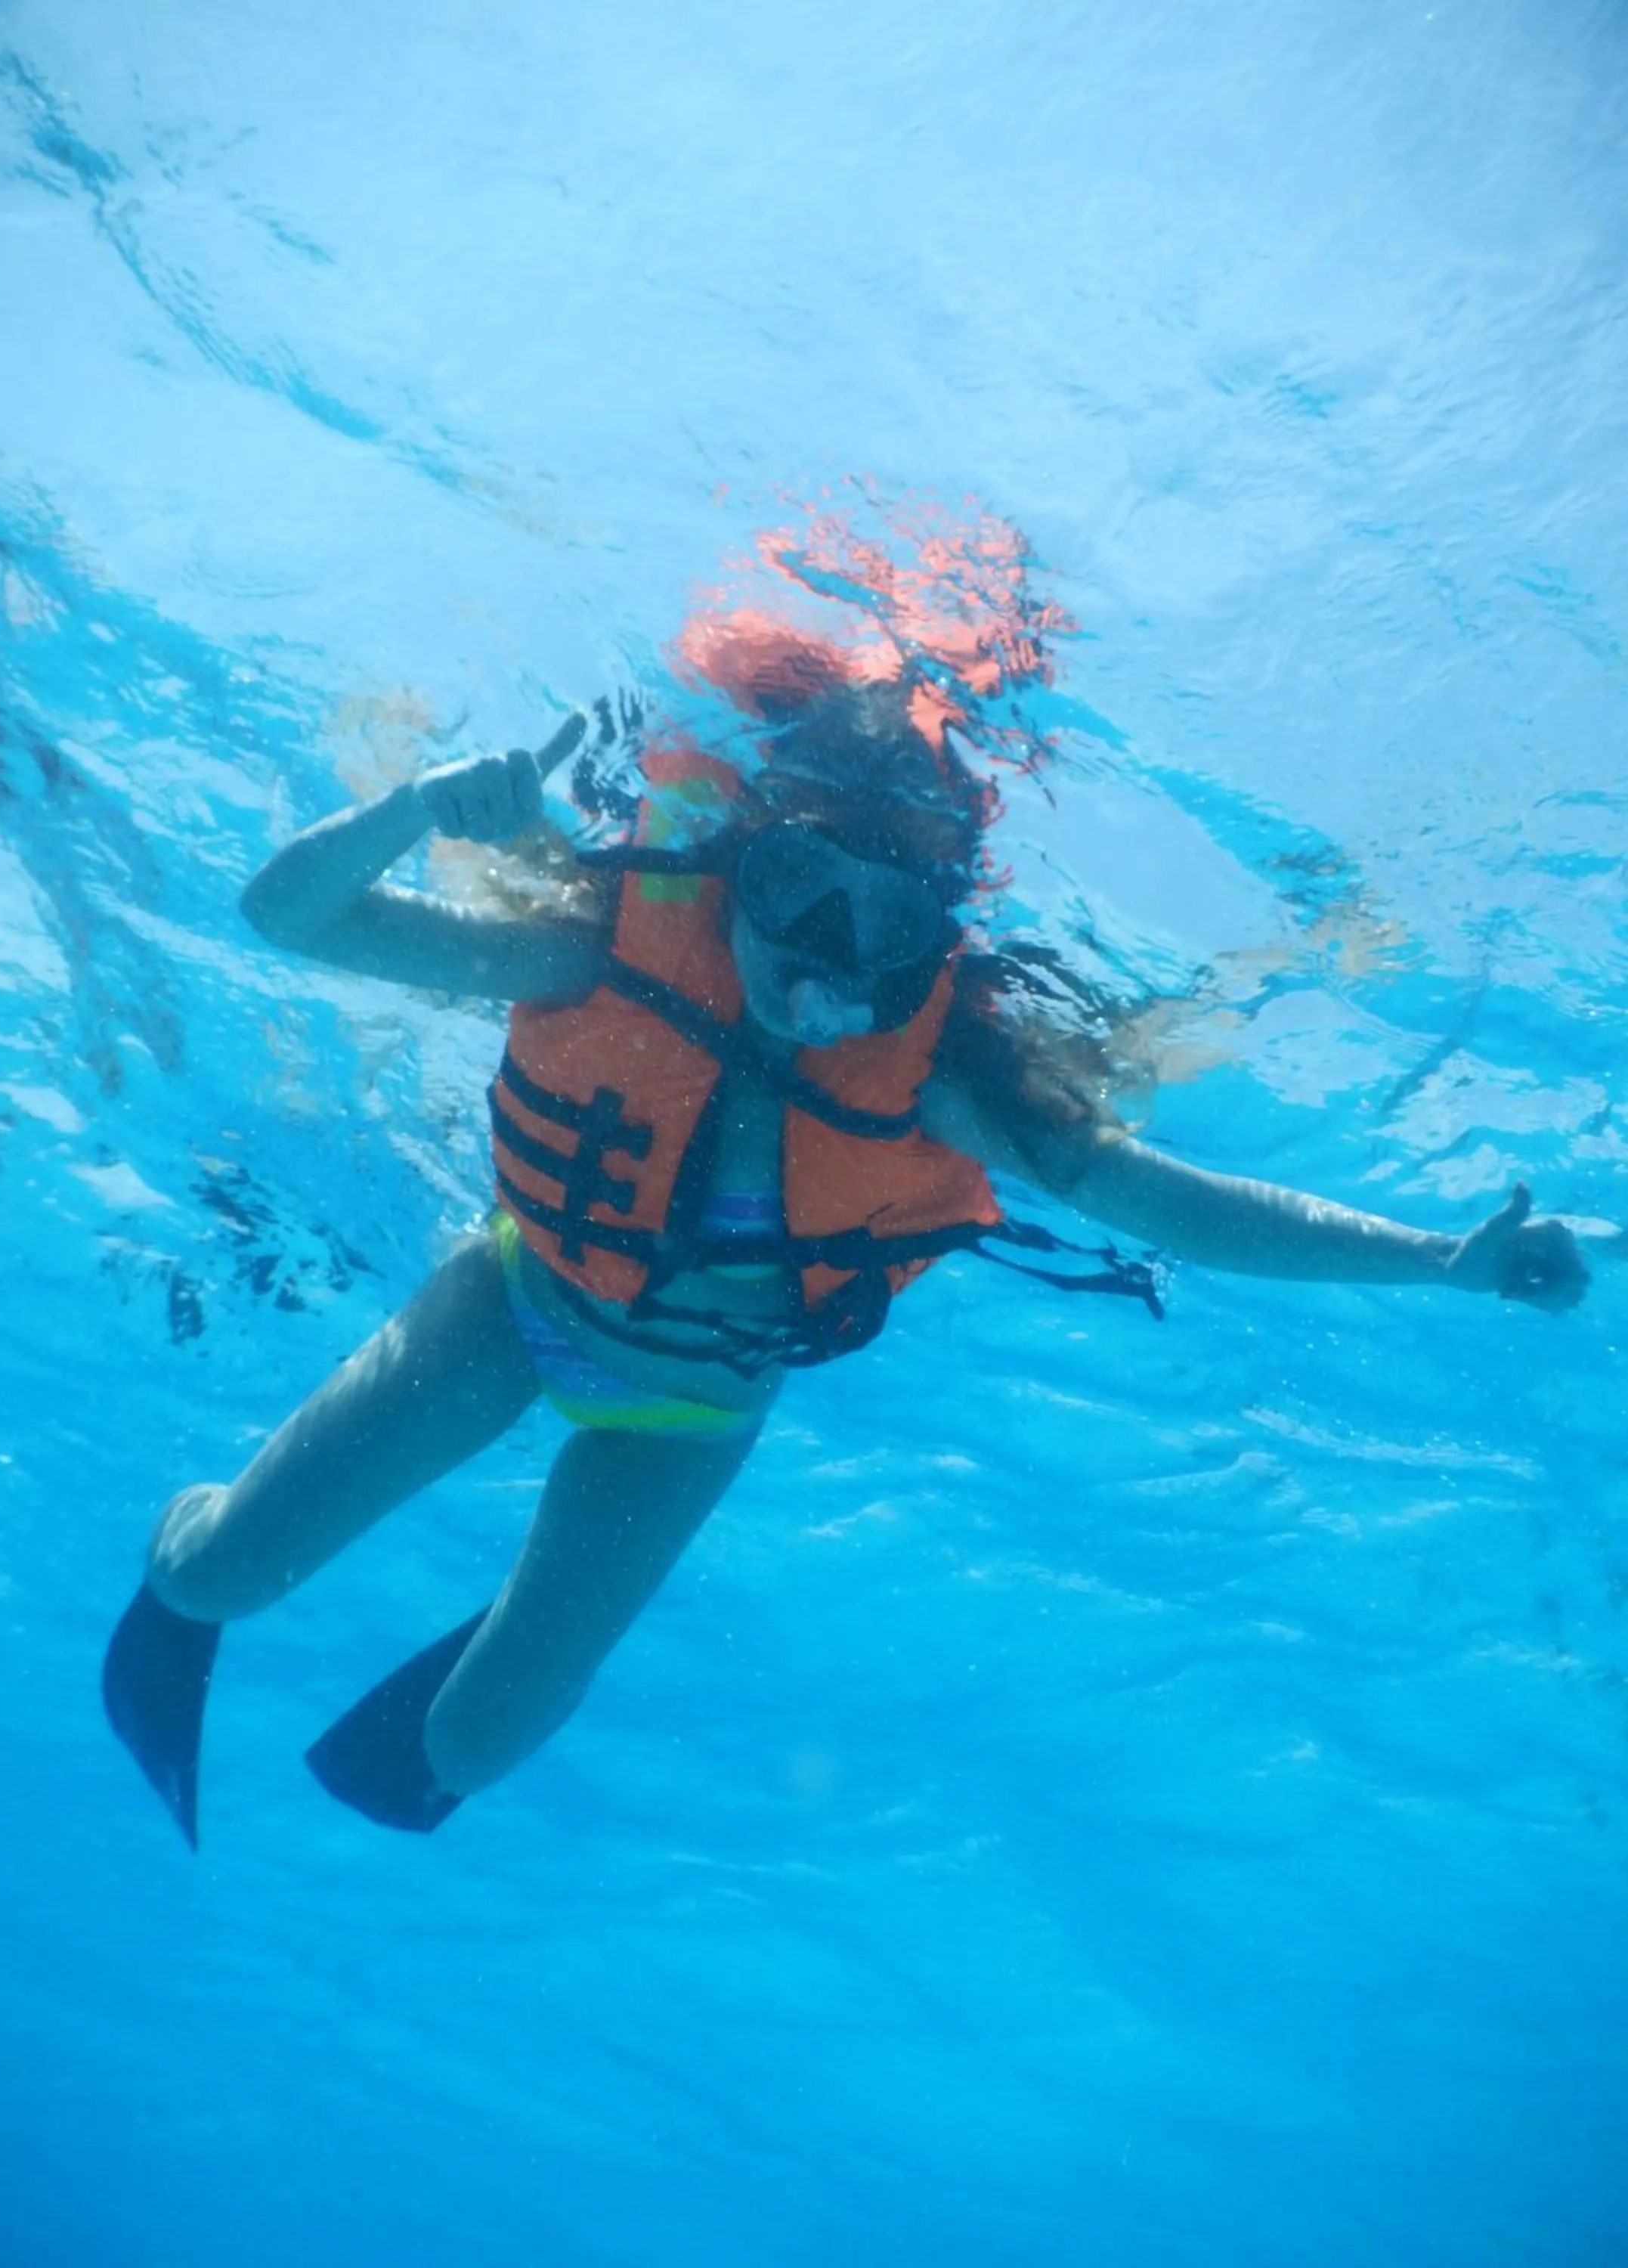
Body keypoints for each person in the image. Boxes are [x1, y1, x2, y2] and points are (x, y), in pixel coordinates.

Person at [102, 627, 1589, 1849]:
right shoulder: (597, 944)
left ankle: (516, 1623)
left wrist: (1435, 1258)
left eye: (881, 929)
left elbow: (1170, 1205)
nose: (824, 957)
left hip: (690, 1413)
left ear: (938, 938)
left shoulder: (952, 1076)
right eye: (796, 893)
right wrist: (413, 811)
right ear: (743, 862)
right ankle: (192, 1548)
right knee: (222, 1577)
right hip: (514, 1299)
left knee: (470, 1754)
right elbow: (291, 914)